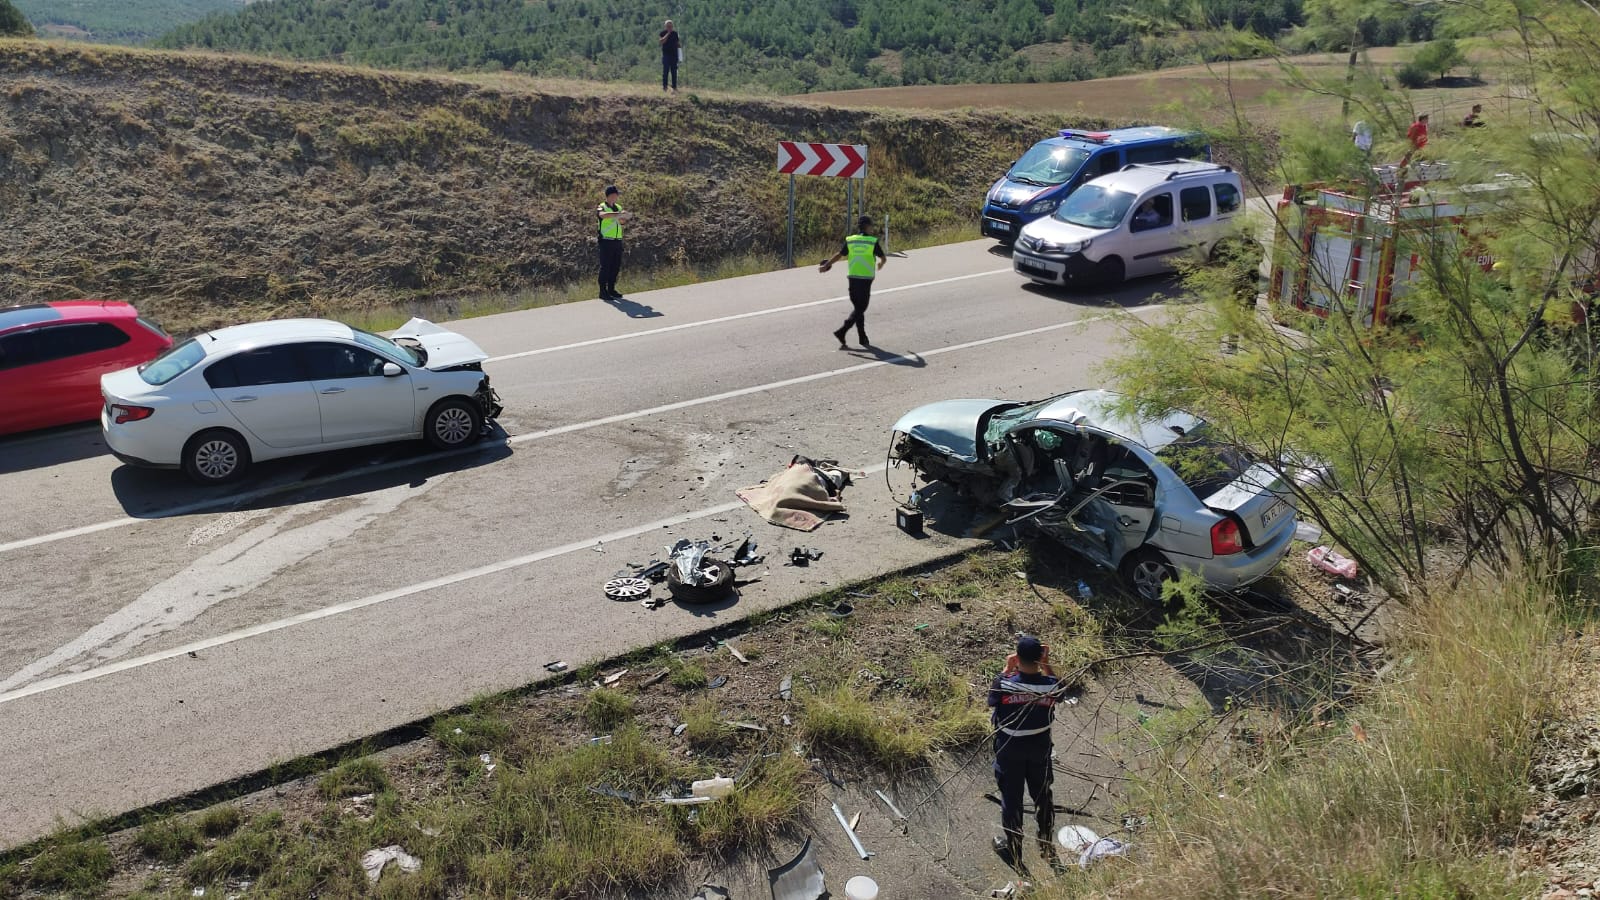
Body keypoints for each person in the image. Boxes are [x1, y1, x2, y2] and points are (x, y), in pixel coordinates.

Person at [987, 633, 1060, 872]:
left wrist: (1008, 667)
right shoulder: (1051, 686)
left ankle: (1015, 853)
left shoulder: (1004, 683)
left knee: (1012, 800)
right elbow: (1059, 688)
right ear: (1040, 657)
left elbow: (992, 700)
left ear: (1017, 658)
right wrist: (1046, 663)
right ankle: (1046, 843)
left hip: (1010, 752)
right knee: (1042, 796)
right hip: (1039, 750)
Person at [819, 215, 887, 349]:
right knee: (861, 308)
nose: (872, 228)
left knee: (858, 309)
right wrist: (881, 264)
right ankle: (842, 331)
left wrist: (827, 264)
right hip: (865, 281)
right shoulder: (872, 242)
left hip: (852, 279)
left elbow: (839, 254)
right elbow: (883, 257)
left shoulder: (851, 240)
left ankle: (862, 337)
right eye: (871, 225)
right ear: (867, 226)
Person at [596, 185, 631, 301]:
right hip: (606, 241)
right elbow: (602, 215)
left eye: (617, 195)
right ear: (609, 195)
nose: (616, 197)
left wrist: (624, 216)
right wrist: (618, 214)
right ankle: (602, 291)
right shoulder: (602, 206)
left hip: (617, 241)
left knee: (615, 266)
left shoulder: (618, 207)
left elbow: (621, 222)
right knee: (605, 266)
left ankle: (611, 288)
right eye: (614, 195)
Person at [658, 20, 680, 93]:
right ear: (665, 26)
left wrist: (680, 51)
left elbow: (677, 43)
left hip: (674, 55)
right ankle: (665, 87)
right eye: (668, 26)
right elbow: (661, 42)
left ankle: (674, 87)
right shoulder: (662, 33)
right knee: (665, 71)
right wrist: (668, 34)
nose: (670, 27)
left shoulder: (675, 34)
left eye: (671, 26)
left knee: (674, 72)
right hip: (666, 55)